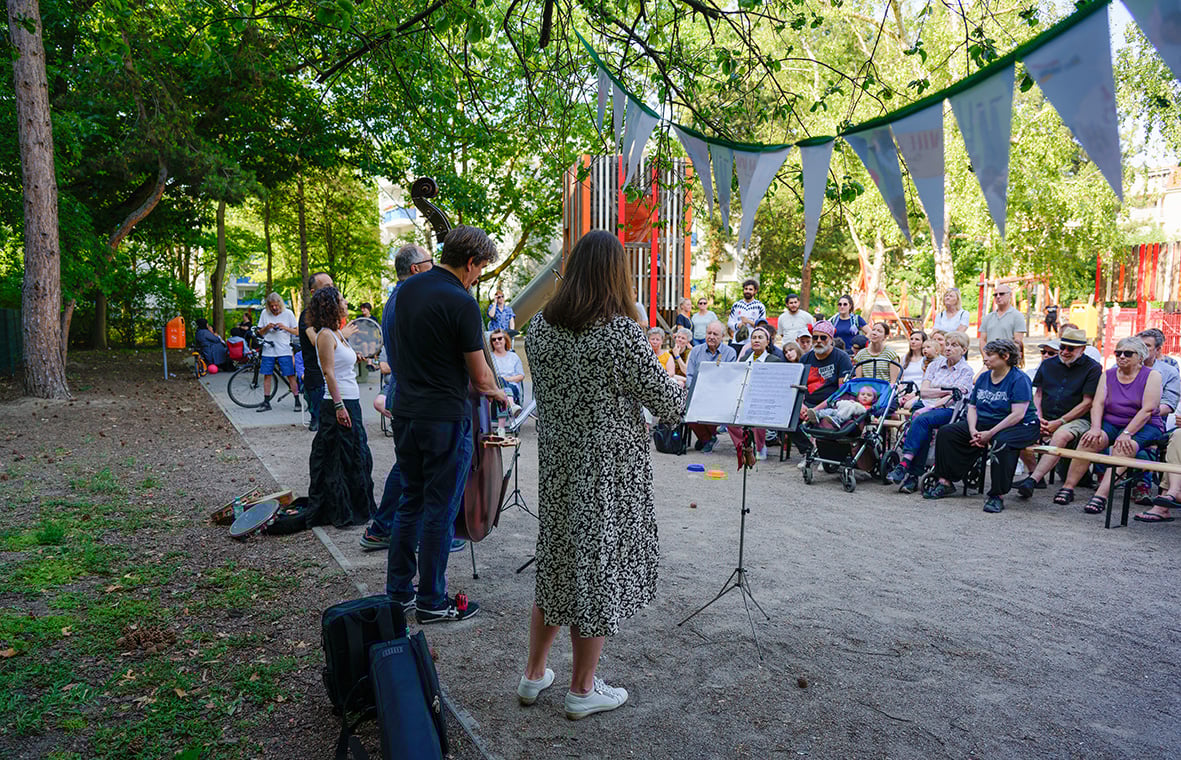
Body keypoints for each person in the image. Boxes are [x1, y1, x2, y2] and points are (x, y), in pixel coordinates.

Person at [519, 229, 686, 720]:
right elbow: (669, 406)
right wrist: (676, 378)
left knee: (557, 564)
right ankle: (582, 688)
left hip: (557, 466)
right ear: (617, 273)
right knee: (596, 571)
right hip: (607, 472)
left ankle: (533, 676)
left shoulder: (540, 329)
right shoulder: (618, 334)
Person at [386, 226, 507, 625]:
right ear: (470, 262)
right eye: (481, 269)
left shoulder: (404, 290)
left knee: (410, 502)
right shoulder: (461, 302)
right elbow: (481, 376)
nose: (478, 277)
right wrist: (501, 394)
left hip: (405, 411)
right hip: (443, 417)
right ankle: (432, 601)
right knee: (440, 509)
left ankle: (399, 593)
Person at [359, 244, 433, 552]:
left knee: (408, 466)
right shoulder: (410, 300)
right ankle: (384, 527)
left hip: (405, 395)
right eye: (431, 261)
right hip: (413, 397)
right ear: (415, 268)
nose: (436, 266)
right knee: (409, 467)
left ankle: (383, 527)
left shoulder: (397, 298)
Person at [923, 339, 1040, 513]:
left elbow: (1017, 414)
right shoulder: (984, 377)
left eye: (989, 355)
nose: (984, 358)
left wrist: (990, 434)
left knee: (1001, 442)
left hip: (1020, 425)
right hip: (986, 422)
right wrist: (973, 430)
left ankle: (996, 495)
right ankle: (945, 482)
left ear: (1005, 356)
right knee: (948, 432)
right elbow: (972, 407)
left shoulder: (1019, 379)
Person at [1062, 337, 1164, 517]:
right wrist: (1095, 428)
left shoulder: (1152, 376)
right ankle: (1068, 487)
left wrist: (1127, 433)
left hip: (1144, 425)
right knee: (1088, 440)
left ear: (1140, 357)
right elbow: (1098, 404)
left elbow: (1148, 410)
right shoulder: (1108, 374)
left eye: (1127, 353)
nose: (1121, 357)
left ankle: (1101, 495)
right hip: (1113, 422)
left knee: (1124, 446)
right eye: (1118, 353)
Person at [307, 286, 375, 528]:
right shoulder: (325, 334)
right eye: (341, 299)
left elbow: (339, 364)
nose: (345, 302)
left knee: (356, 457)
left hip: (351, 402)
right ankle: (340, 511)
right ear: (331, 306)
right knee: (338, 459)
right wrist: (338, 406)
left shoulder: (337, 334)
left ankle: (356, 508)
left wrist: (354, 357)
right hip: (338, 402)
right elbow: (328, 372)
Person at [1012, 327, 1102, 503]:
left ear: (1082, 349)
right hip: (1045, 417)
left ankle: (1033, 480)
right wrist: (1038, 417)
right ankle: (1033, 472)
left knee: (1061, 434)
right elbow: (1038, 394)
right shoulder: (1048, 364)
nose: (1065, 352)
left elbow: (1087, 403)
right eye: (1062, 347)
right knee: (1016, 431)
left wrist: (1059, 422)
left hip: (1078, 419)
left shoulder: (1093, 368)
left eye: (1071, 348)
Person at [886, 331, 976, 493]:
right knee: (923, 423)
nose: (948, 348)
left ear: (964, 350)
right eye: (947, 344)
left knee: (922, 419)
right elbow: (924, 391)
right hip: (927, 405)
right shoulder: (935, 365)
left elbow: (957, 397)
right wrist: (946, 391)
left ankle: (905, 464)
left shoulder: (966, 370)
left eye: (954, 345)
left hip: (950, 410)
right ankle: (913, 475)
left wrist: (935, 401)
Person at [792, 321, 853, 464]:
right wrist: (801, 405)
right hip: (807, 403)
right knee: (787, 418)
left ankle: (825, 455)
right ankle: (808, 451)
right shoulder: (806, 358)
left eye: (823, 338)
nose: (818, 341)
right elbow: (798, 386)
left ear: (831, 339)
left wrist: (816, 409)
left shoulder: (841, 358)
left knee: (830, 419)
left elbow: (842, 392)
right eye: (815, 337)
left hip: (831, 404)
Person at [1131, 328, 1177, 504]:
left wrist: (1145, 412)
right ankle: (1103, 475)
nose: (1141, 350)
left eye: (1147, 346)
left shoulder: (1169, 372)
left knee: (1141, 443)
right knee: (1098, 433)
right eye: (1138, 345)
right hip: (1120, 419)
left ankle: (1141, 484)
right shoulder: (1122, 364)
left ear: (1158, 350)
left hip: (1152, 421)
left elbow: (1169, 404)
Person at [728, 325, 783, 460]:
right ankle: (745, 446)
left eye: (760, 338)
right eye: (753, 338)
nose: (756, 340)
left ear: (767, 342)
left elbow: (776, 386)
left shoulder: (774, 361)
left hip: (764, 401)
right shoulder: (743, 359)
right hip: (743, 398)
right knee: (729, 417)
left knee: (757, 414)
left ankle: (760, 447)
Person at [685, 320, 737, 452]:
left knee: (710, 404)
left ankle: (706, 438)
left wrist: (713, 392)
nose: (711, 337)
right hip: (698, 392)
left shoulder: (730, 353)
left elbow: (730, 379)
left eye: (715, 334)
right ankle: (707, 438)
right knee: (685, 406)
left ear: (722, 336)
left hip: (720, 393)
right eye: (709, 333)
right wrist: (696, 391)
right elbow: (689, 376)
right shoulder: (696, 351)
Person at [299, 272, 333, 432]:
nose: (332, 290)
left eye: (333, 286)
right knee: (321, 427)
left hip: (332, 378)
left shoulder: (332, 315)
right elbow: (315, 341)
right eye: (327, 287)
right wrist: (341, 336)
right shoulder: (308, 315)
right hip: (317, 381)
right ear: (314, 293)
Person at [256, 292, 301, 413]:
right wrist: (267, 328)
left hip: (284, 349)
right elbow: (260, 332)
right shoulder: (264, 314)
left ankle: (297, 400)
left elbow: (297, 332)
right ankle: (266, 402)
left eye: (276, 305)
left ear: (280, 304)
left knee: (290, 375)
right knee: (267, 375)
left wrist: (285, 327)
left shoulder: (288, 313)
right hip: (268, 349)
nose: (274, 308)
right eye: (271, 306)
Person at [979, 284, 1026, 350]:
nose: (998, 297)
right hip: (990, 357)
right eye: (995, 295)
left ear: (1010, 295)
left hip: (1007, 357)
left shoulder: (1017, 316)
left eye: (1001, 294)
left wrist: (1007, 357)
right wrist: (985, 357)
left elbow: (1017, 342)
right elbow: (982, 340)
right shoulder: (988, 318)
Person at [490, 329, 525, 403]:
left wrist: (507, 380)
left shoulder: (514, 357)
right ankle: (512, 407)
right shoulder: (490, 357)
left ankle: (510, 404)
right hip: (496, 386)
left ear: (505, 340)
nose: (497, 341)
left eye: (499, 338)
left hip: (511, 385)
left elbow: (521, 376)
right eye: (494, 339)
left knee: (508, 388)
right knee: (500, 381)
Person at [727, 279, 766, 345]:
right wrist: (738, 325)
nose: (747, 291)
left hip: (752, 342)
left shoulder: (760, 306)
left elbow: (762, 325)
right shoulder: (736, 305)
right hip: (737, 341)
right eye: (746, 289)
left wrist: (748, 321)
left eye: (750, 289)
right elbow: (730, 322)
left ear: (755, 291)